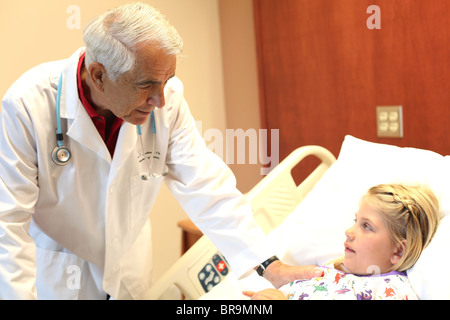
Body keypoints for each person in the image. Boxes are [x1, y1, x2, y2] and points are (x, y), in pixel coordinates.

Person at [0, 2, 320, 300]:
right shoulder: (28, 105)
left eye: (166, 81)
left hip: (128, 263)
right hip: (60, 270)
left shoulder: (167, 101)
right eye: (146, 85)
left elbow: (204, 184)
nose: (161, 101)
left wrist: (268, 266)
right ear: (99, 75)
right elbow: (8, 223)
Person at [243, 184, 441, 300]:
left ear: (397, 251)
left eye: (366, 226)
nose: (348, 232)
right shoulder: (328, 273)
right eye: (356, 221)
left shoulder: (391, 290)